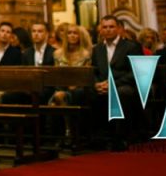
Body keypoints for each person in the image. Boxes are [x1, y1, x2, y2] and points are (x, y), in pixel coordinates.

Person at [92, 14, 143, 150]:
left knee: (121, 94)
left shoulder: (131, 46)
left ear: (119, 29)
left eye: (111, 27)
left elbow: (136, 72)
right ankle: (98, 137)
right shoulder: (97, 49)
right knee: (85, 93)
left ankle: (121, 138)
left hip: (125, 85)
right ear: (100, 30)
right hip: (103, 84)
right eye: (105, 27)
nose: (108, 30)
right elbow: (94, 71)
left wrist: (113, 85)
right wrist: (97, 84)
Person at [50, 24, 93, 106]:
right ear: (66, 36)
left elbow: (86, 75)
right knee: (57, 98)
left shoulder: (85, 54)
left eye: (75, 33)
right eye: (69, 33)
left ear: (79, 36)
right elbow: (56, 74)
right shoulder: (57, 53)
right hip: (61, 86)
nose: (72, 35)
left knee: (58, 99)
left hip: (79, 88)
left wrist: (74, 85)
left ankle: (68, 118)